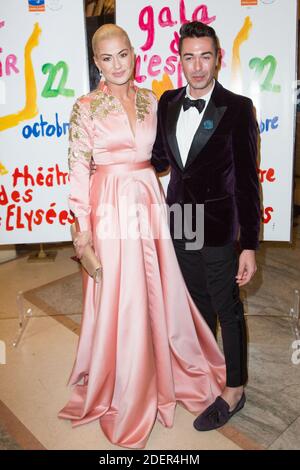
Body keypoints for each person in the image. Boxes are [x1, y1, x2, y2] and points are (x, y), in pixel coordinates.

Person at [58, 24, 226, 449]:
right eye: (107, 58)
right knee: (123, 295)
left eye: (123, 55)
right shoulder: (85, 107)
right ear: (96, 62)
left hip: (150, 200)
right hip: (108, 205)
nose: (117, 65)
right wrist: (82, 237)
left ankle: (168, 368)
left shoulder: (154, 100)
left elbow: (168, 155)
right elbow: (78, 173)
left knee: (159, 290)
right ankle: (126, 384)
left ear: (135, 55)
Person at [151, 21, 260, 431]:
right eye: (189, 57)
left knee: (226, 307)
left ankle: (235, 390)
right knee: (195, 307)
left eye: (205, 56)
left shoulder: (237, 107)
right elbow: (160, 159)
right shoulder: (166, 102)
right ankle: (203, 375)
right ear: (178, 59)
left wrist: (248, 244)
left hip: (217, 225)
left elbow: (248, 182)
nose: (197, 67)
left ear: (218, 58)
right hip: (180, 220)